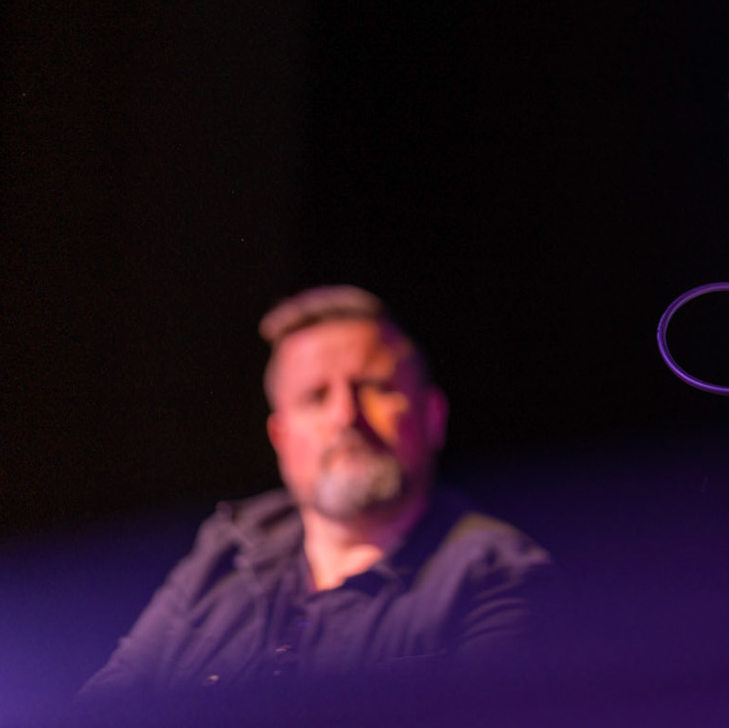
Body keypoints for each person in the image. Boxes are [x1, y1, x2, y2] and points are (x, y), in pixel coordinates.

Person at [81, 286, 552, 698]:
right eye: (315, 397)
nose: (346, 416)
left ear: (433, 417)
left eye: (374, 387)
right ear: (281, 439)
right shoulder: (225, 550)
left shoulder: (493, 576)